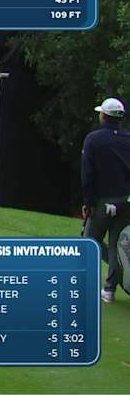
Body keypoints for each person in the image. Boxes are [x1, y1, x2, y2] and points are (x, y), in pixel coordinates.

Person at [82, 97, 130, 302]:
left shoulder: (93, 139)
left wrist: (88, 202)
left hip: (103, 200)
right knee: (114, 245)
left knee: (89, 241)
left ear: (104, 116)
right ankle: (109, 290)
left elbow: (88, 174)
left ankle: (87, 285)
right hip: (126, 201)